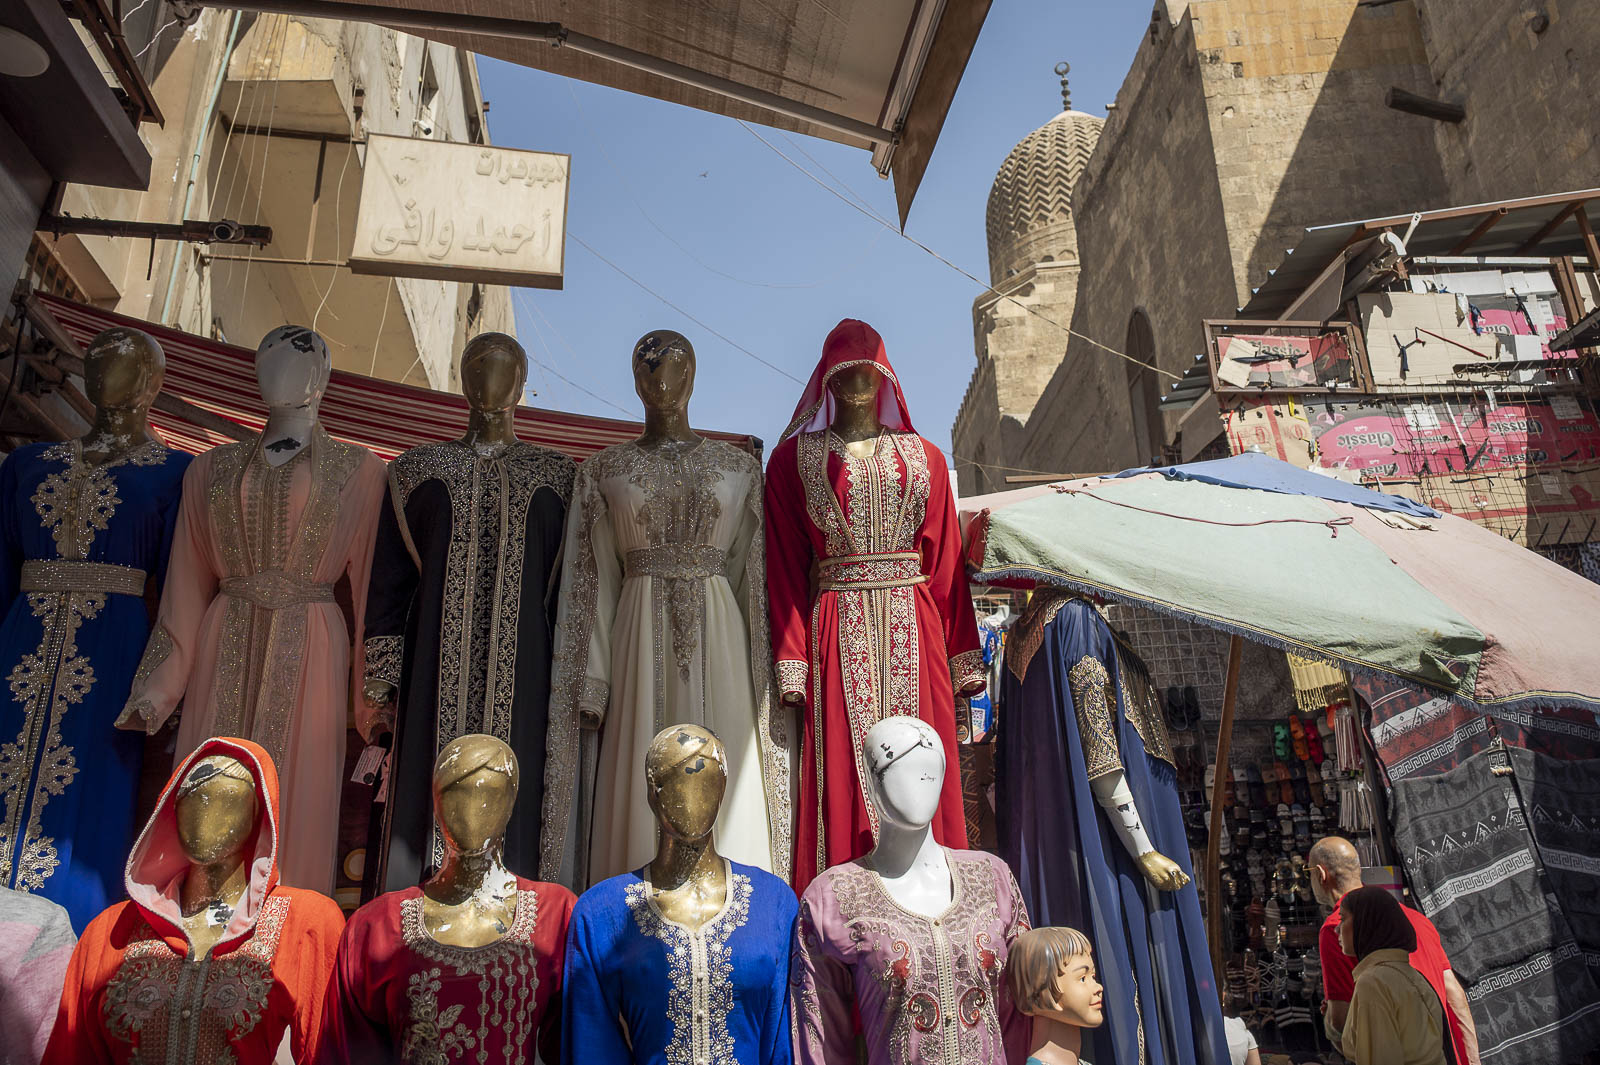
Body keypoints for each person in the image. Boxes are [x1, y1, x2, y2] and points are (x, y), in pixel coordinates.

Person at [1309, 836, 1477, 1065]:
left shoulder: (1335, 930)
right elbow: (1454, 996)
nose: (1340, 927)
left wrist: (1331, 1021)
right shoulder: (1416, 919)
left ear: (1320, 874)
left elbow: (1344, 1027)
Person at [1336, 886, 1451, 1065]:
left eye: (1343, 919)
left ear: (1365, 923)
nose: (1337, 929)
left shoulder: (1373, 982)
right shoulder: (1411, 974)